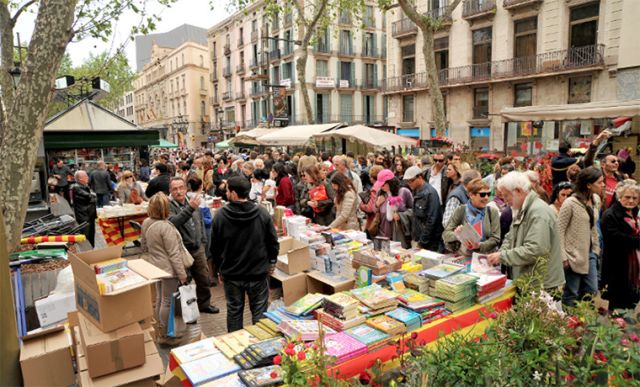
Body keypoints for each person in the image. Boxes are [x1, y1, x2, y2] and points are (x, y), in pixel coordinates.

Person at [210, 176, 279, 332]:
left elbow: (214, 248)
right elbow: (272, 242)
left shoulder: (220, 216)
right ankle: (261, 349)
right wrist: (272, 261)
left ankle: (235, 347)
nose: (226, 193)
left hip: (232, 274)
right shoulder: (262, 213)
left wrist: (219, 268)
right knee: (260, 313)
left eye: (227, 190)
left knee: (234, 311)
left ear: (233, 193)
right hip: (257, 272)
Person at [487, 172, 565, 291]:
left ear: (518, 191)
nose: (506, 201)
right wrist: (501, 253)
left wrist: (502, 256)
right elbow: (510, 236)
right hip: (529, 280)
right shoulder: (522, 208)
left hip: (541, 284)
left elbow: (535, 249)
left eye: (507, 196)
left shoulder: (538, 212)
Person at [141, 192, 189, 344]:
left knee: (160, 299)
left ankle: (161, 331)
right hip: (168, 269)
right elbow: (174, 254)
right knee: (167, 301)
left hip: (155, 267)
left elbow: (143, 246)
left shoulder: (146, 222)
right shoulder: (165, 227)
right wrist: (182, 274)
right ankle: (167, 335)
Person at [168, 177, 219, 314]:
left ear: (186, 188)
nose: (178, 191)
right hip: (182, 250)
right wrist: (190, 208)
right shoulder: (169, 206)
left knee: (203, 278)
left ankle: (204, 304)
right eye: (175, 189)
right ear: (170, 191)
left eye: (181, 188)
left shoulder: (192, 202)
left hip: (198, 248)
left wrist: (202, 240)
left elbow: (200, 222)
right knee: (184, 281)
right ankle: (186, 310)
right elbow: (174, 222)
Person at [558, 167, 603, 306]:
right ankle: (569, 321)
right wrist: (563, 257)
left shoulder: (596, 199)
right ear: (589, 184)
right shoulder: (570, 203)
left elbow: (594, 225)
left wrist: (596, 249)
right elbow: (559, 230)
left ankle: (581, 316)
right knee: (571, 291)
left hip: (590, 252)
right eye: (599, 182)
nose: (603, 185)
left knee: (592, 289)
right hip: (572, 255)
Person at [601, 180, 640, 310]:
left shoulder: (635, 213)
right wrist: (637, 241)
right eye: (627, 197)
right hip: (617, 264)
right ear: (619, 197)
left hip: (633, 265)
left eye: (634, 198)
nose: (631, 201)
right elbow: (615, 238)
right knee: (618, 302)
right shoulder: (611, 214)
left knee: (631, 301)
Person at [442, 179, 500, 256]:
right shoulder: (461, 210)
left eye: (488, 194)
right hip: (464, 256)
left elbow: (495, 239)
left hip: (484, 258)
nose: (486, 197)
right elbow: (445, 234)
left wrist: (479, 245)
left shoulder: (492, 212)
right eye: (482, 194)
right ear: (471, 195)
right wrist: (457, 235)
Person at [403, 166, 443, 251]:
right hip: (420, 238)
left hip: (430, 242)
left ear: (420, 177)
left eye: (411, 181)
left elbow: (432, 220)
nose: (409, 183)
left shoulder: (430, 193)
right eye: (407, 181)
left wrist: (422, 242)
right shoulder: (416, 190)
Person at [377, 176, 413, 248]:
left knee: (400, 255)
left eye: (383, 184)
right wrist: (377, 204)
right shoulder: (381, 193)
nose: (381, 187)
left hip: (399, 233)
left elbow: (414, 210)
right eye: (380, 185)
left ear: (390, 182)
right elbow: (375, 212)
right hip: (384, 232)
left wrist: (400, 215)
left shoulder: (403, 191)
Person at [71, 170, 97, 247]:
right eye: (85, 176)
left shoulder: (85, 186)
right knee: (86, 235)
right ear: (80, 178)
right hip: (84, 216)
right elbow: (91, 197)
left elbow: (92, 198)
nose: (87, 177)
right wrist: (92, 197)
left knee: (92, 234)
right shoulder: (76, 187)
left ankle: (92, 250)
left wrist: (92, 197)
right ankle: (87, 251)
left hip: (90, 215)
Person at [359, 165, 384, 239]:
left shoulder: (375, 188)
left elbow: (370, 208)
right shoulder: (384, 186)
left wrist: (361, 205)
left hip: (374, 221)